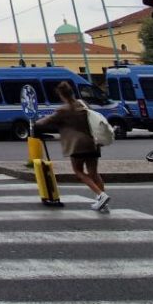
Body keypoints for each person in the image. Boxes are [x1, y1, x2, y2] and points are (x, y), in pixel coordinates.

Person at [35, 80, 110, 211]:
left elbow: (45, 122)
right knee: (94, 173)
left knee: (78, 171)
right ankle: (103, 203)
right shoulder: (83, 104)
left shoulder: (62, 110)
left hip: (77, 145)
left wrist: (34, 122)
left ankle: (101, 195)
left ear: (61, 95)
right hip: (93, 142)